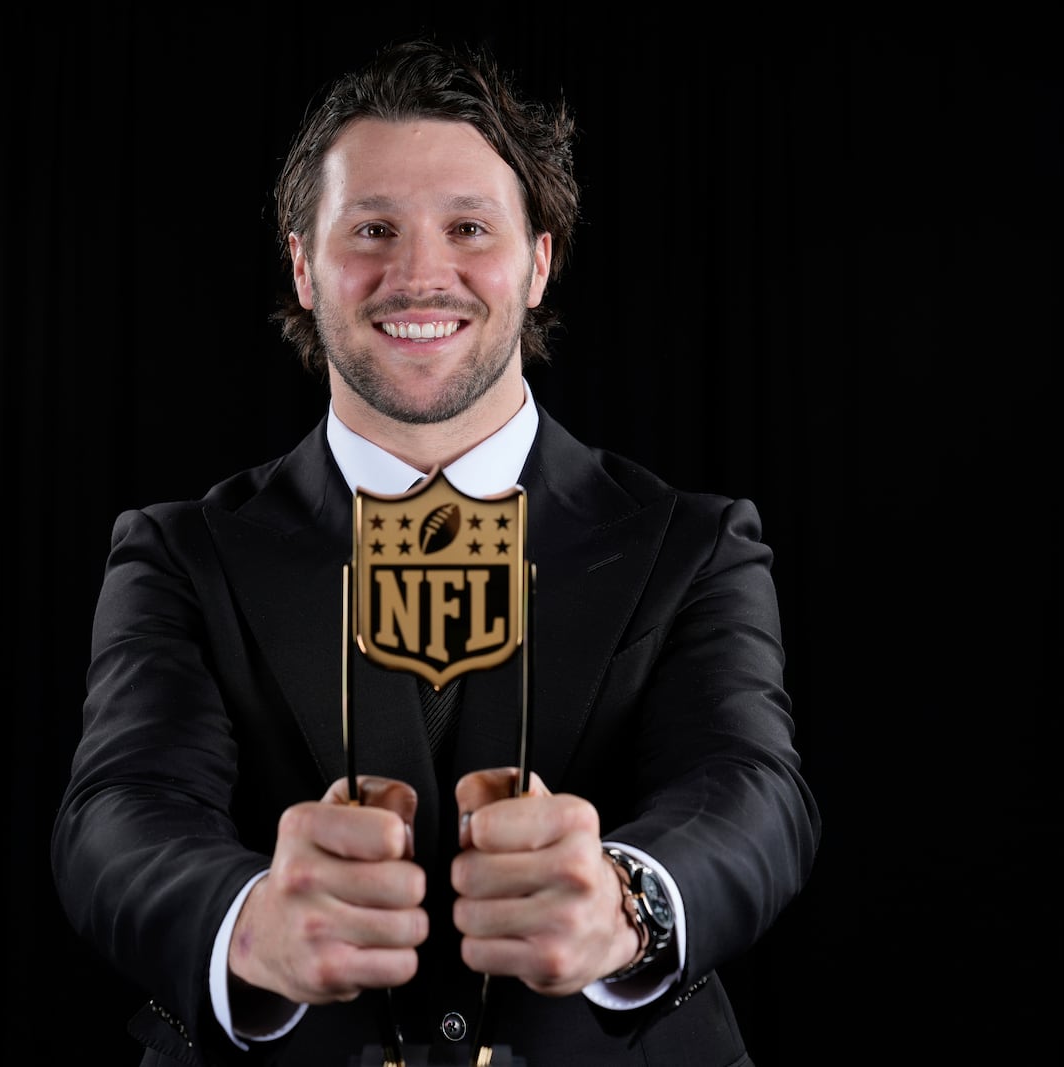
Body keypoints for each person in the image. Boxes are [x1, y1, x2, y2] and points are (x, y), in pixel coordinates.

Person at [51, 37, 820, 1067]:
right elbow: (118, 811)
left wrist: (626, 903)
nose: (419, 274)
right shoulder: (181, 553)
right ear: (302, 266)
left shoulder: (693, 541)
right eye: (371, 229)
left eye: (468, 226)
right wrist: (250, 922)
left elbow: (752, 789)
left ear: (538, 261)